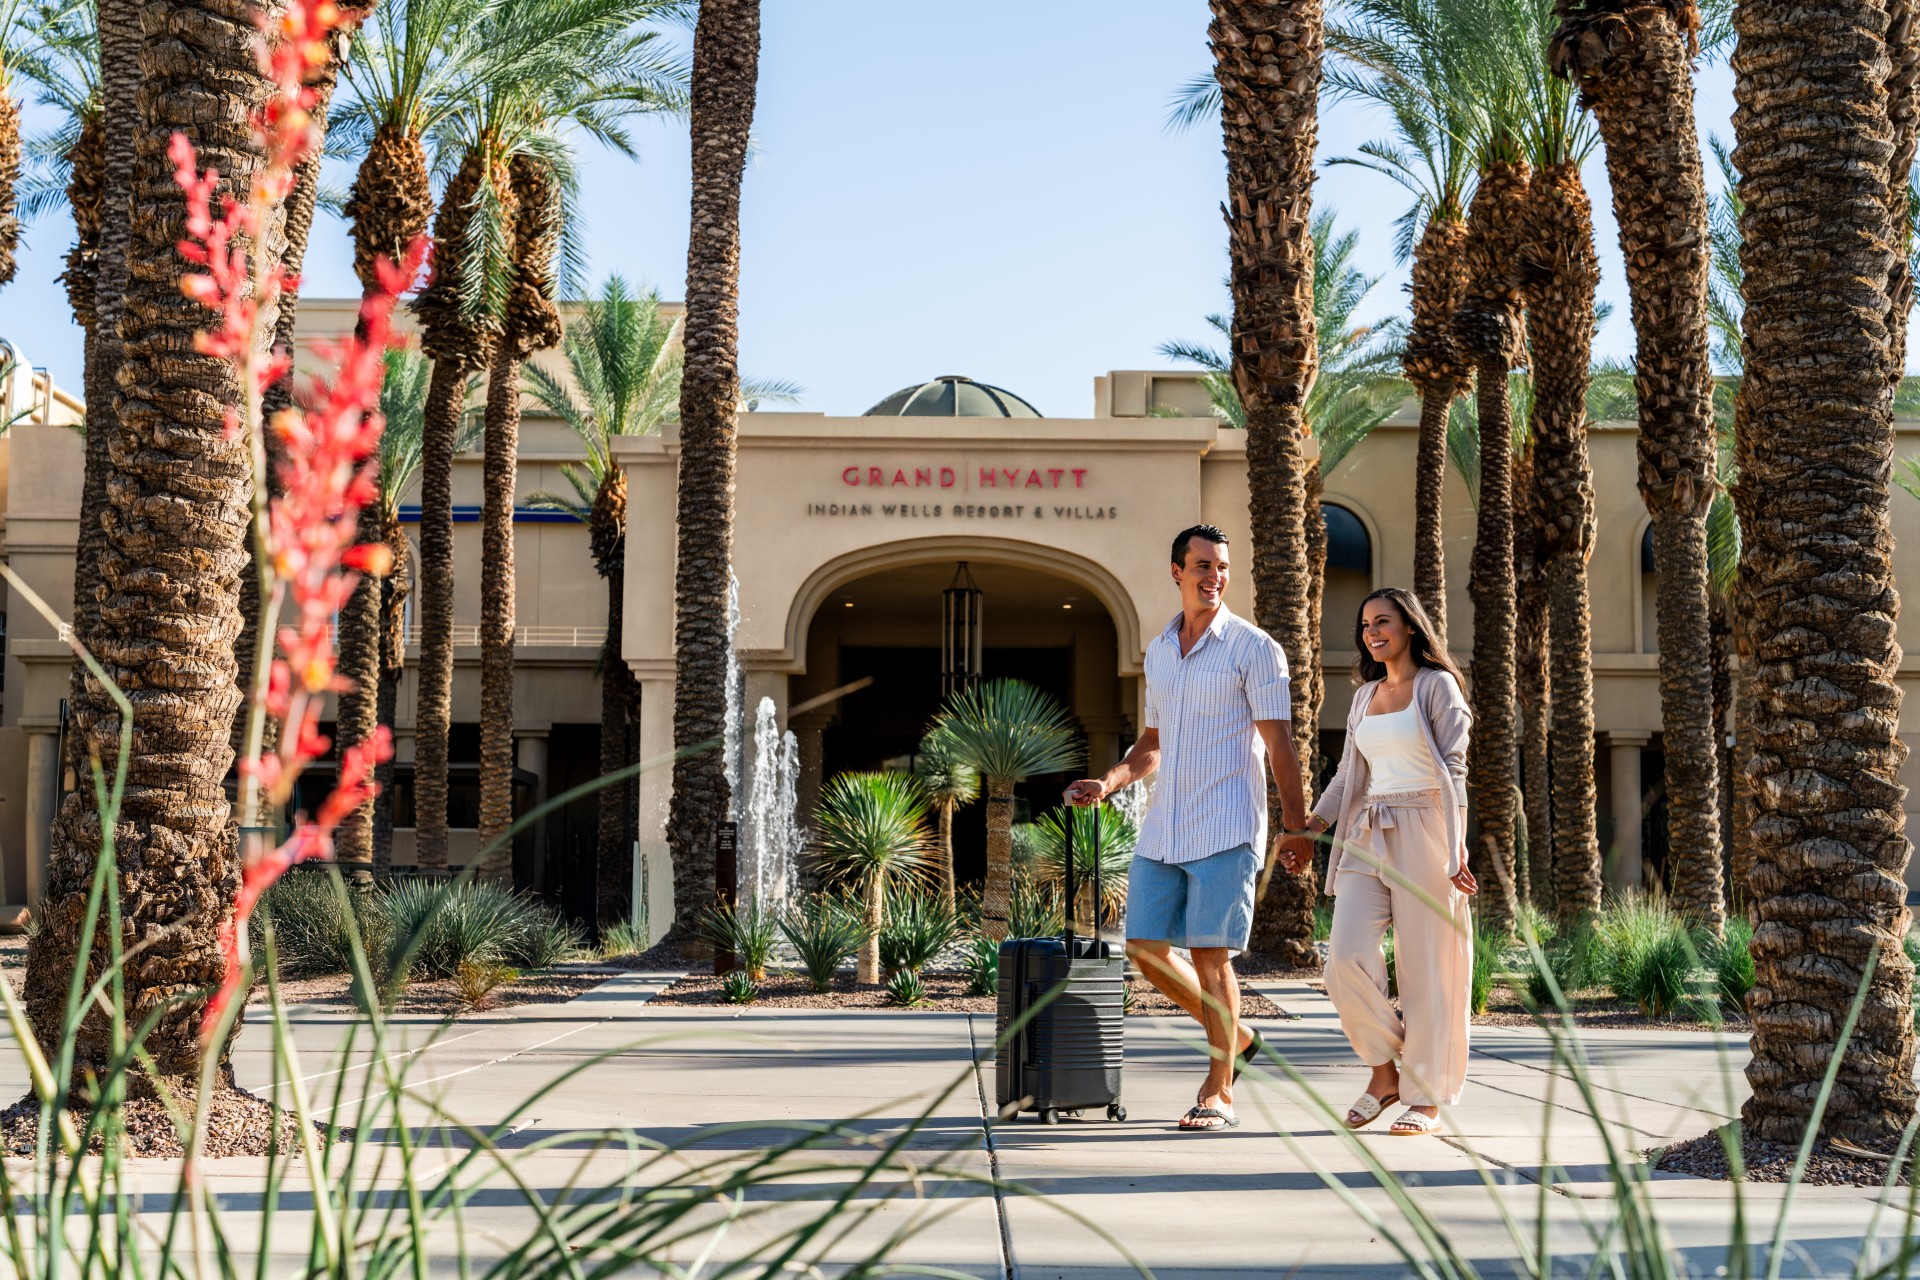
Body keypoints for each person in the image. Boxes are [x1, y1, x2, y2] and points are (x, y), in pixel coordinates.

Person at [1065, 524, 1310, 1132]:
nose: (1214, 576)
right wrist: (1109, 782)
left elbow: (1281, 744)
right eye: (1202, 565)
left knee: (1209, 956)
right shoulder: (1160, 651)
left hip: (1227, 825)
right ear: (1176, 571)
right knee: (1146, 951)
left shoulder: (1255, 649)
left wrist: (1296, 827)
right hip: (1166, 826)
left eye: (1222, 566)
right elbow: (1152, 744)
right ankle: (1241, 1036)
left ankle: (1218, 1088)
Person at [1281, 586, 1475, 1136]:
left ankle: (1426, 1097)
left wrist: (1457, 845)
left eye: (1383, 621)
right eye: (1365, 624)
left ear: (1410, 627)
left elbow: (1455, 771)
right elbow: (1348, 775)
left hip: (1428, 830)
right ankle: (1384, 1071)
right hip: (1368, 832)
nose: (1372, 632)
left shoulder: (1437, 687)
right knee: (1343, 958)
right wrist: (1308, 830)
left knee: (1428, 971)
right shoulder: (1365, 695)